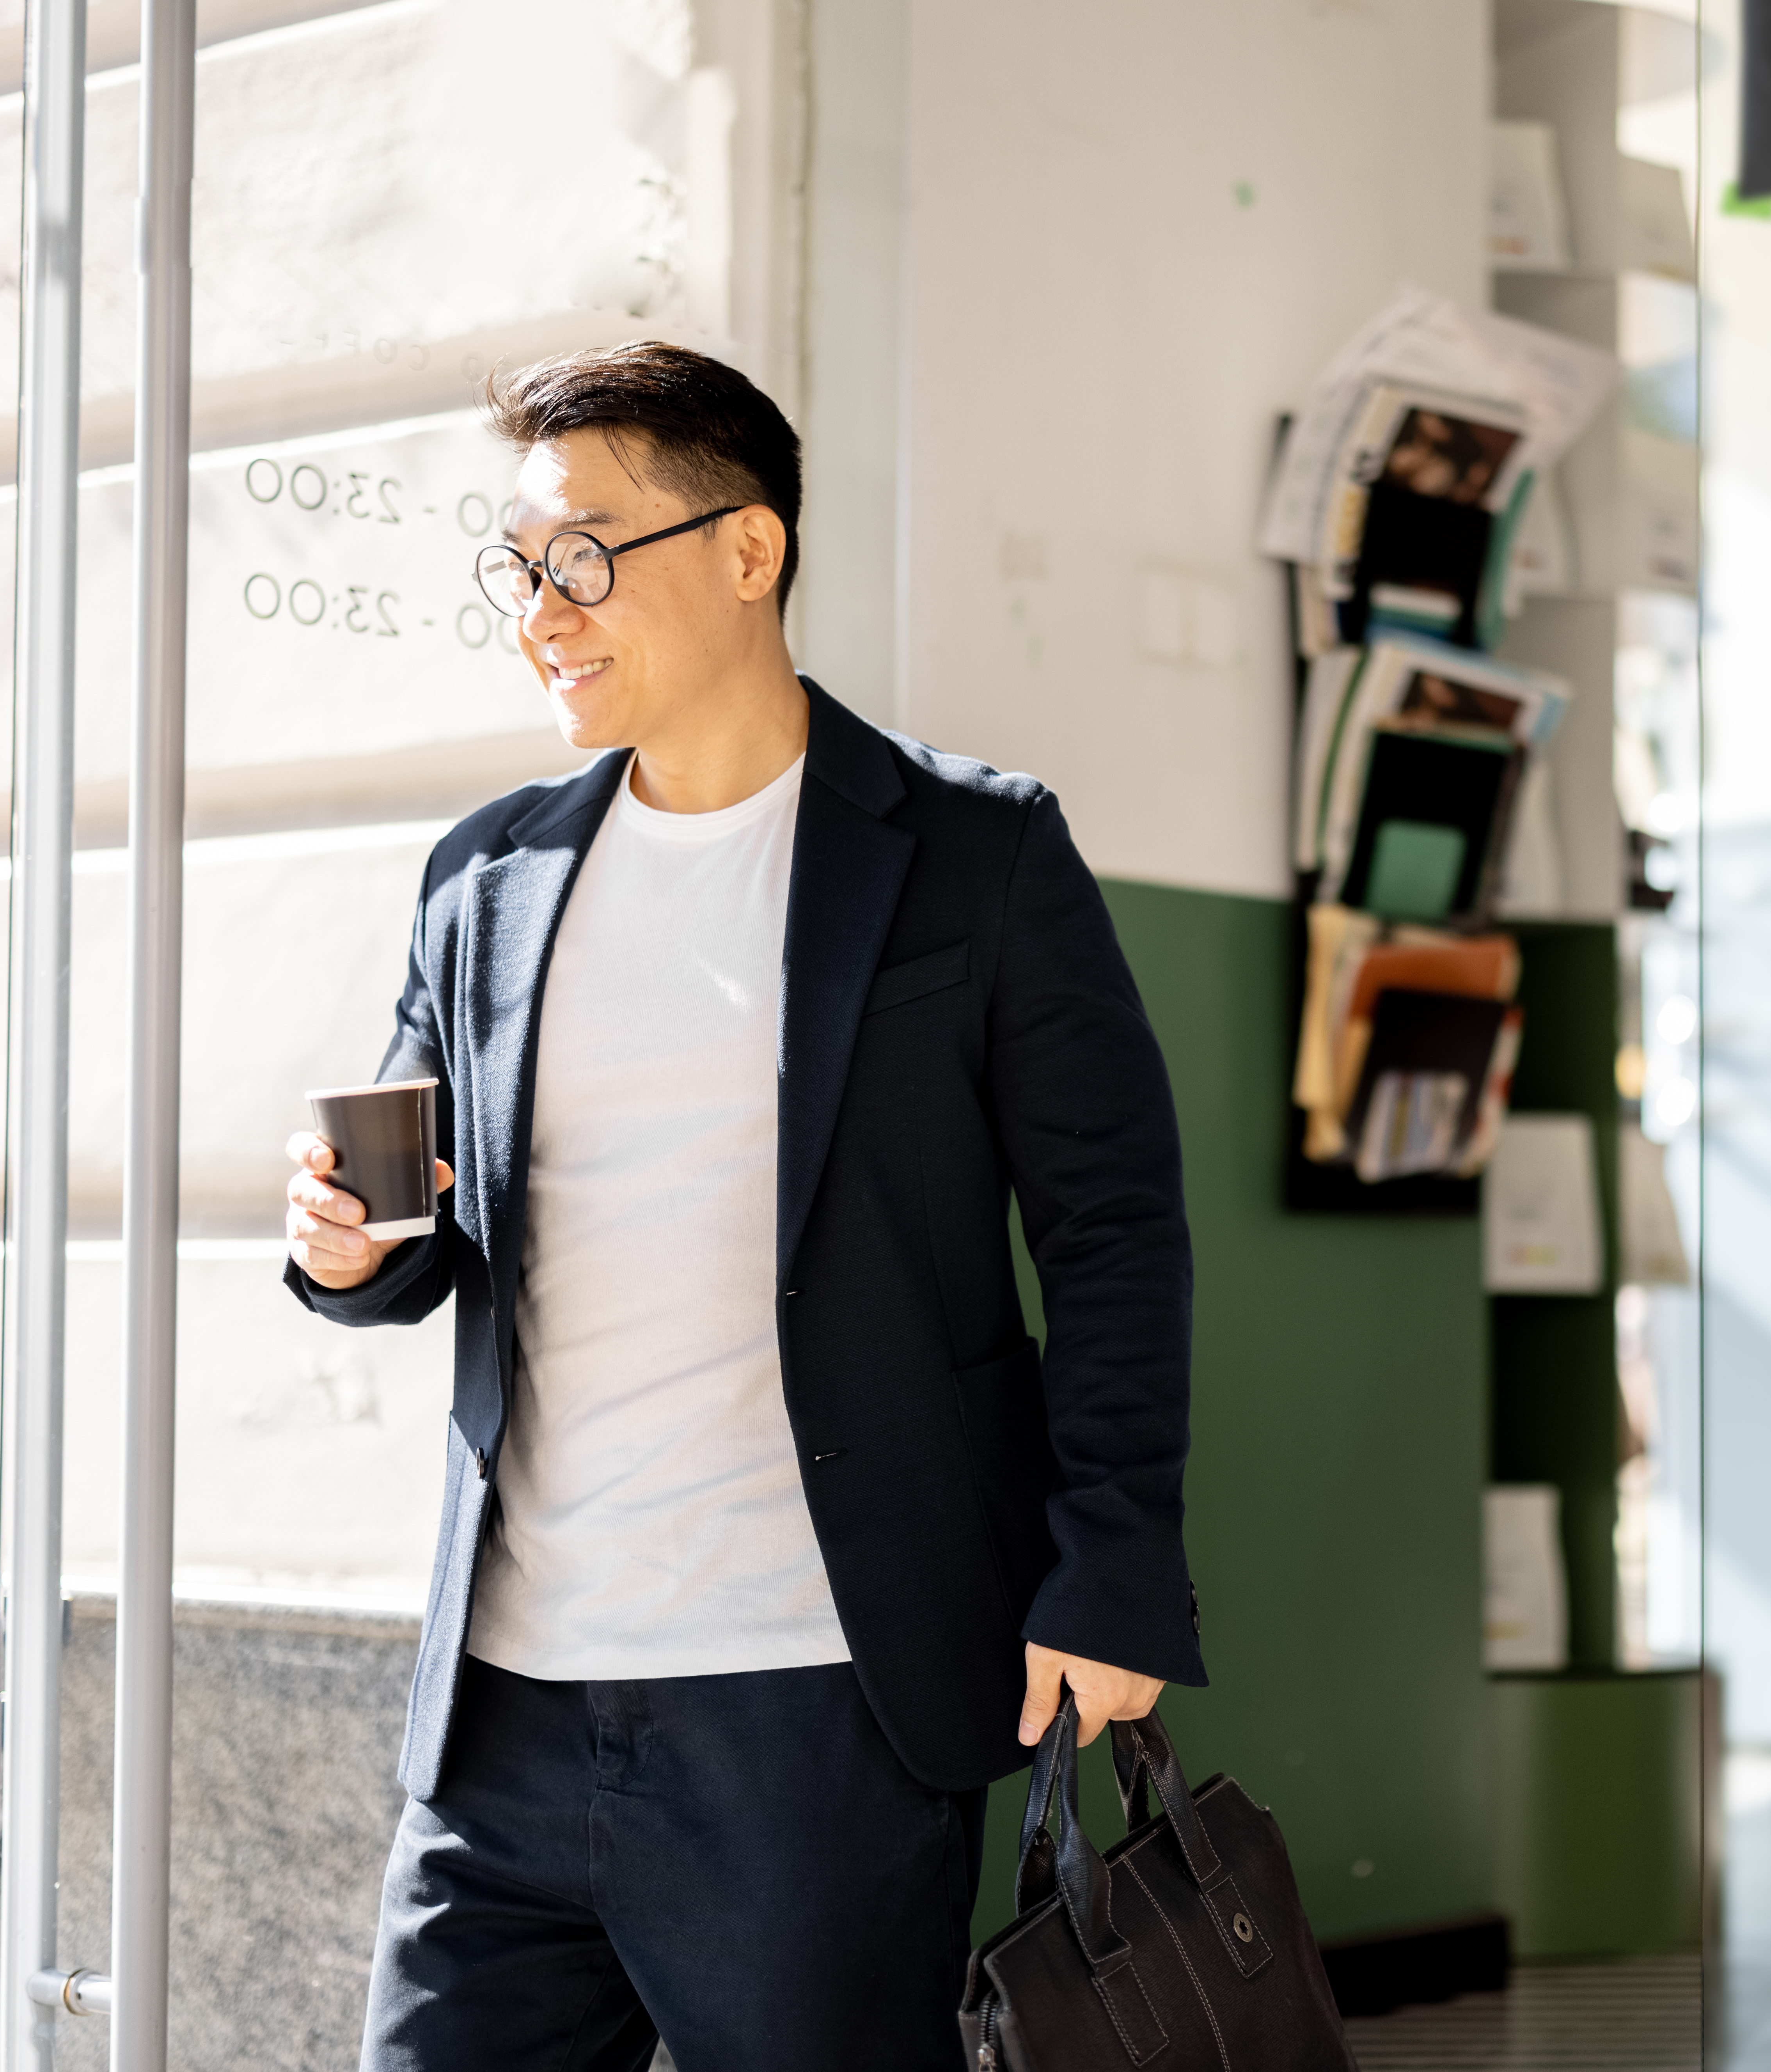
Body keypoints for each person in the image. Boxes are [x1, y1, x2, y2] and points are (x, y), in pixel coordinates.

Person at [281, 341, 1203, 2070]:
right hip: (503, 1712)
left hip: (818, 1708)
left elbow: (1113, 1236)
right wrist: (343, 1241)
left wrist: (1115, 1566)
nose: (539, 608)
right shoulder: (484, 872)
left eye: (580, 557)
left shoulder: (974, 855)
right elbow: (412, 1228)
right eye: (518, 570)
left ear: (747, 548)